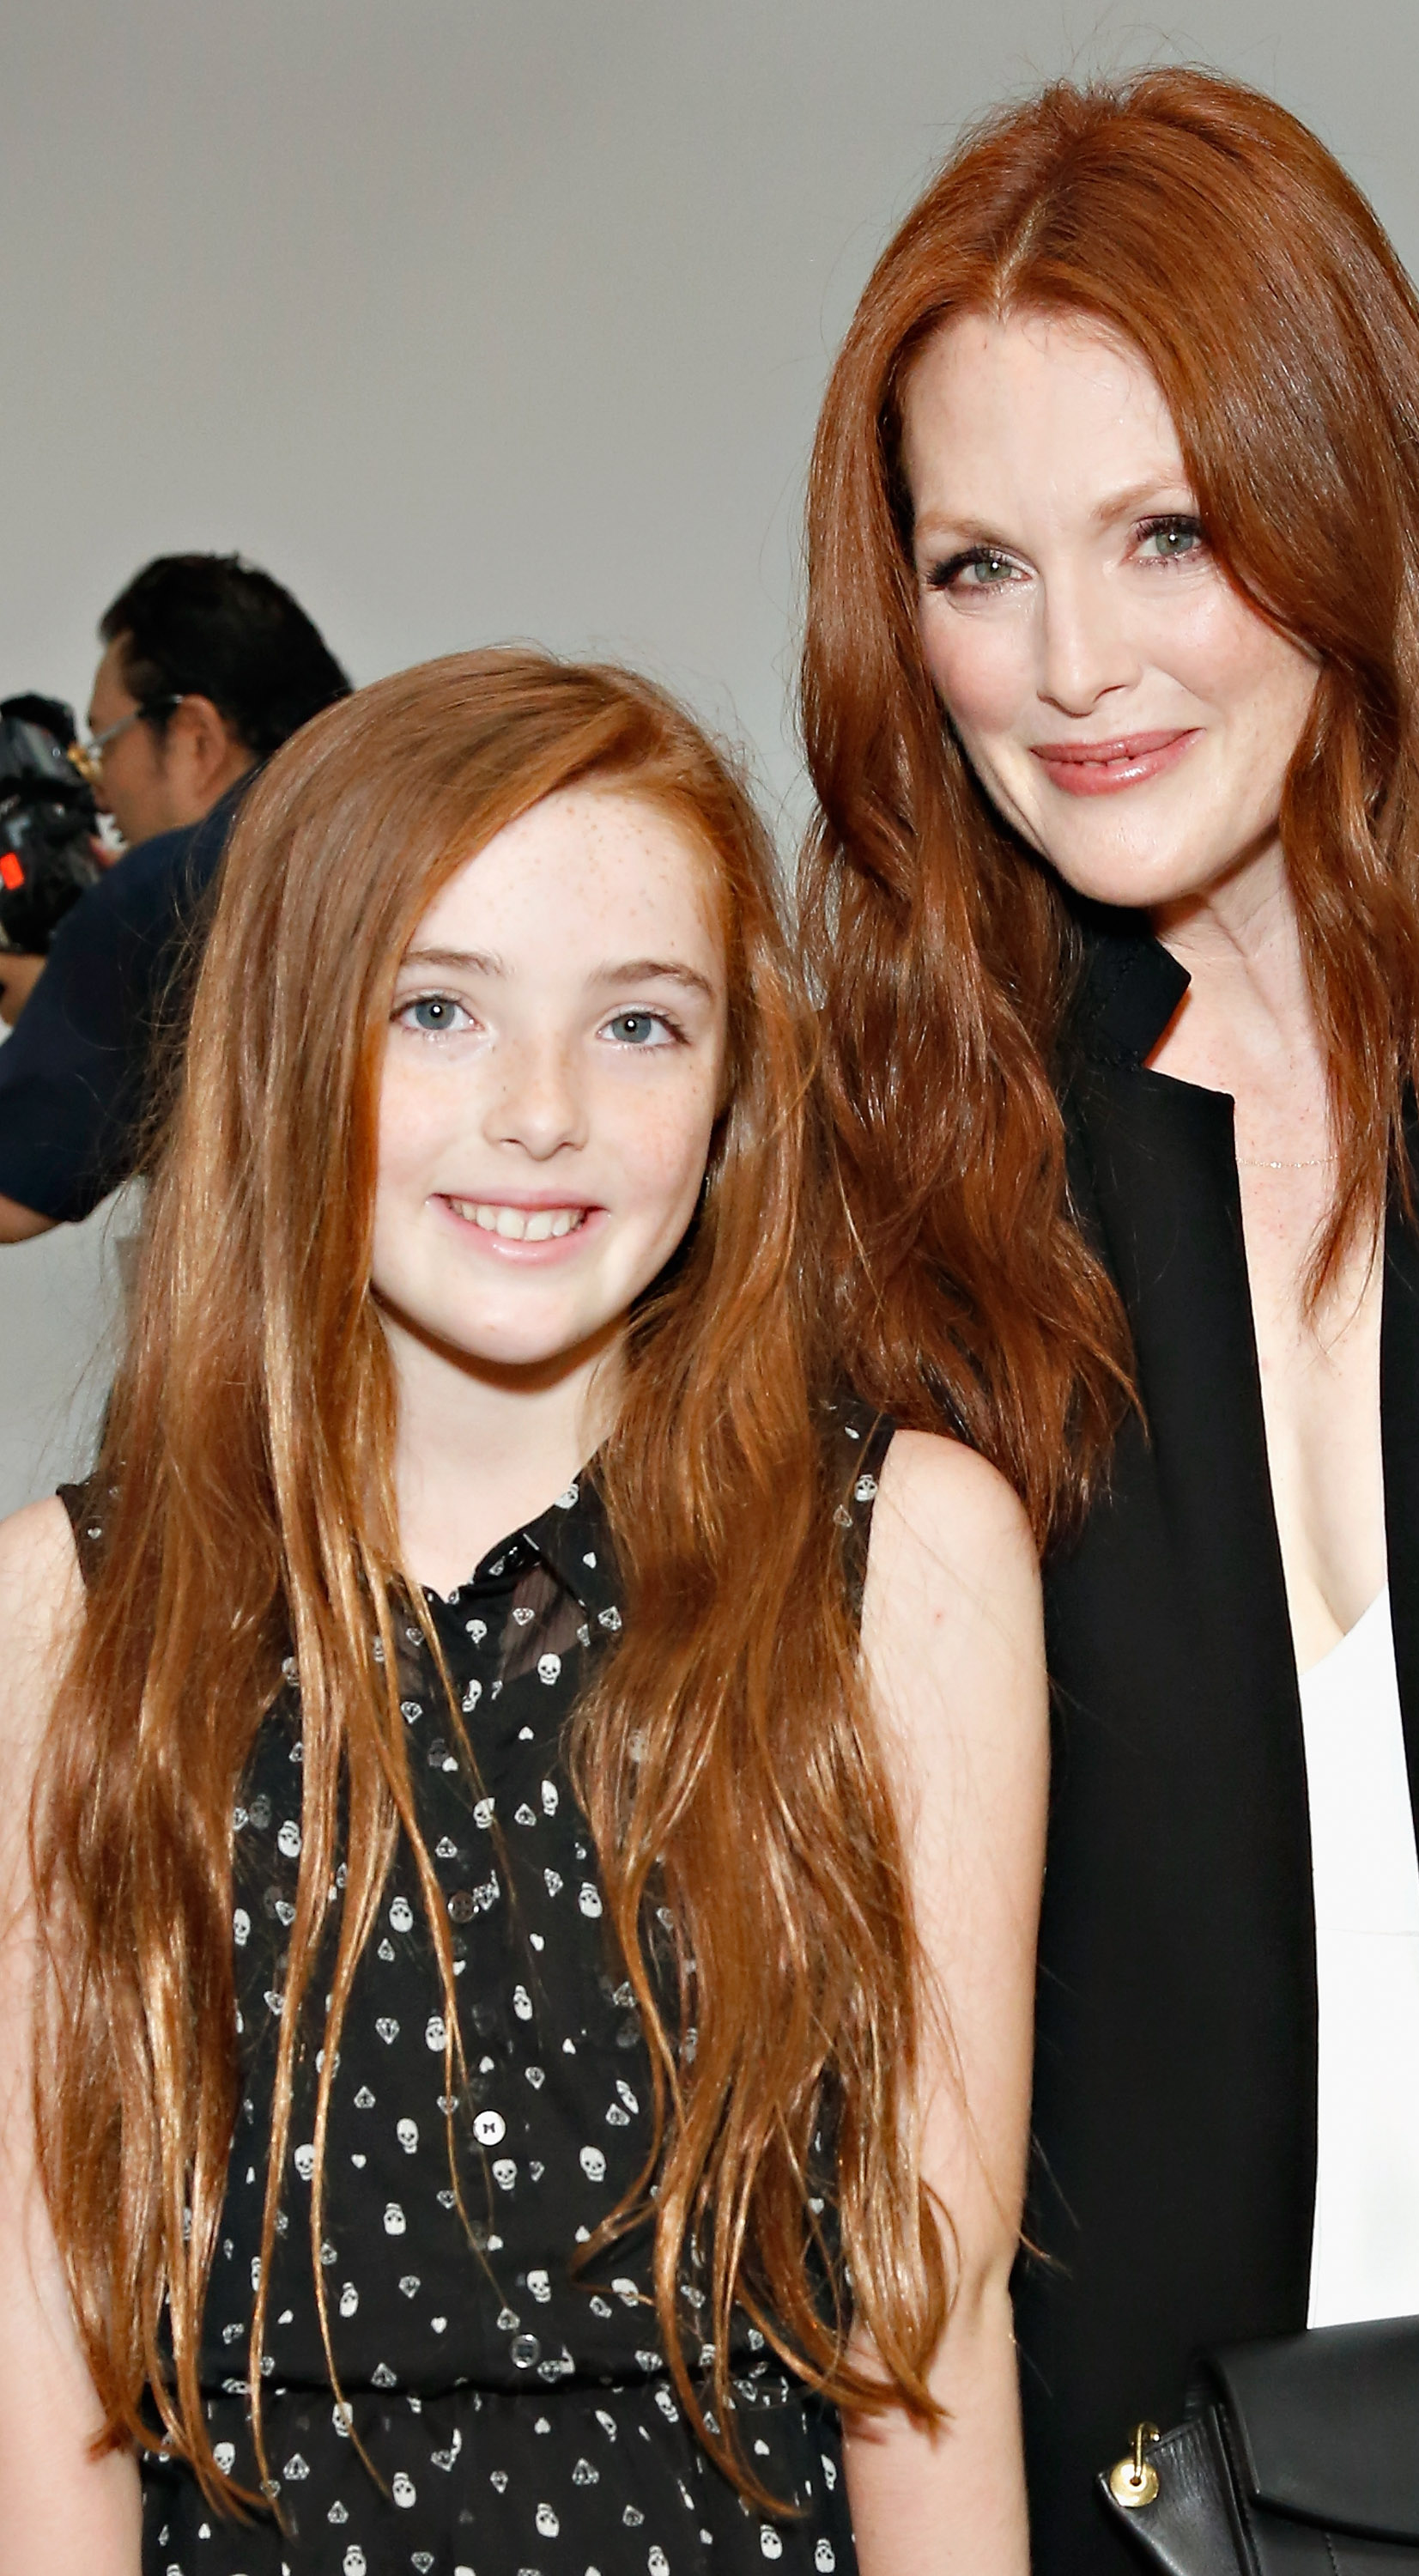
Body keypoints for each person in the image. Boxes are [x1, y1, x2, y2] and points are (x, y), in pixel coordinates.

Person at [797, 68, 1419, 2576]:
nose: (1074, 661)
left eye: (1167, 530)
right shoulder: (879, 1200)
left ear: (1352, 507)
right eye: (977, 565)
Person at [0, 651, 1042, 2573]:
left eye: (639, 1025)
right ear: (291, 1047)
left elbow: (929, 2334)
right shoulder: (66, 1616)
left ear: (735, 1085)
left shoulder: (905, 1569)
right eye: (439, 1012)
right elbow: (49, 2357)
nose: (542, 1113)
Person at [0, 552, 349, 1243]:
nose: (97, 791)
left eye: (102, 744)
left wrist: (85, 974)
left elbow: (10, 1200)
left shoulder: (162, 890)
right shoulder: (396, 844)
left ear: (195, 737)